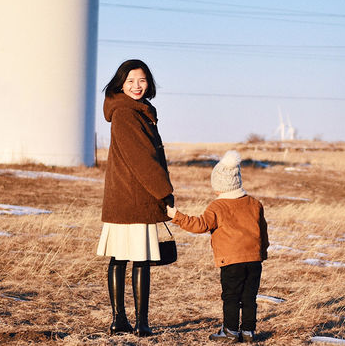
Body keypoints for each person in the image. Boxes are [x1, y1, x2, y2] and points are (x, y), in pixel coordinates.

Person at [97, 59, 174, 337]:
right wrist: (164, 191)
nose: (136, 86)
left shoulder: (136, 110)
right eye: (130, 81)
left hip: (123, 195)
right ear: (121, 84)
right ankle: (137, 322)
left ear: (148, 82)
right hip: (135, 196)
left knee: (121, 258)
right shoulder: (127, 113)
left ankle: (124, 320)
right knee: (137, 259)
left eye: (141, 80)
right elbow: (142, 159)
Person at [167, 150, 268, 343]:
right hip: (254, 260)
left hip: (231, 261)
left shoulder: (217, 207)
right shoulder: (255, 204)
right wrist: (261, 253)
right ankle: (248, 331)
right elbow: (263, 231)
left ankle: (230, 331)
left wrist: (176, 216)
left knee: (231, 296)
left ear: (220, 186)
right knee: (249, 297)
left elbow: (200, 225)